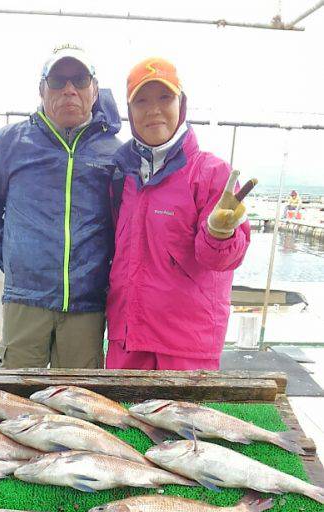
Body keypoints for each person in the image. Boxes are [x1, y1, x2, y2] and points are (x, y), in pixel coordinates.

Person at [0, 45, 121, 369]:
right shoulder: (9, 143)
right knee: (15, 402)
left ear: (94, 90)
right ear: (42, 90)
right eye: (58, 80)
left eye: (79, 80)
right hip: (24, 302)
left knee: (77, 403)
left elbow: (126, 225)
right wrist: (10, 259)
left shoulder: (115, 153)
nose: (69, 89)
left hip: (87, 306)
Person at [106, 57, 252, 371]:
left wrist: (219, 232)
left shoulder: (213, 173)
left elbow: (221, 259)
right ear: (129, 112)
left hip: (186, 350)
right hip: (126, 344)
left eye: (165, 97)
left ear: (182, 103)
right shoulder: (120, 176)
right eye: (141, 100)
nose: (153, 109)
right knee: (121, 421)